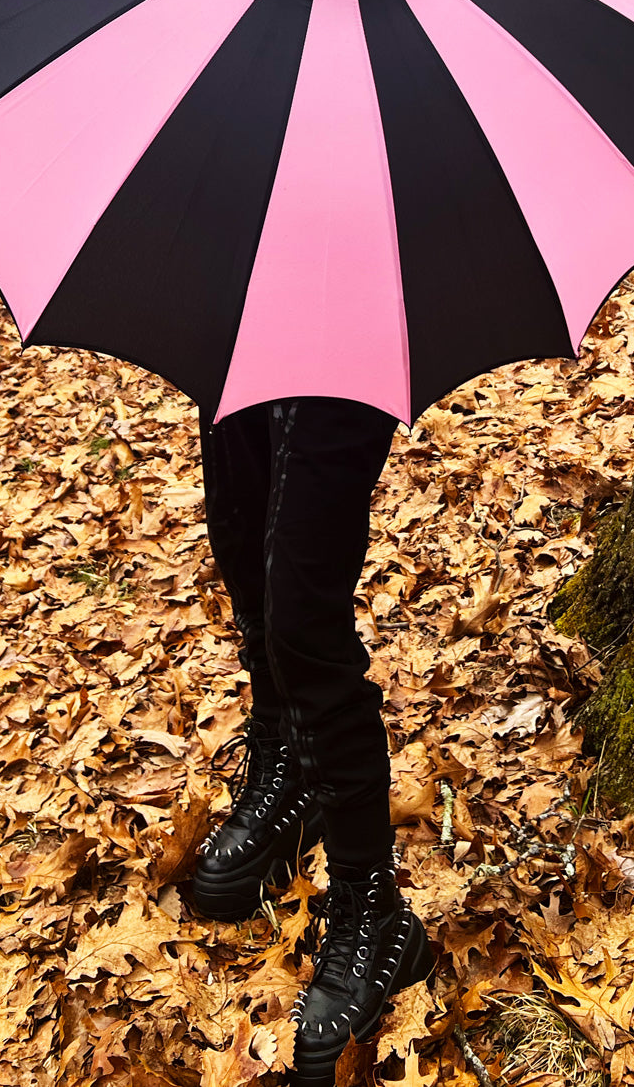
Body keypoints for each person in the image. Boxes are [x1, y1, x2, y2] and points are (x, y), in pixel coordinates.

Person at [188, 396, 434, 1082]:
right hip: (243, 305)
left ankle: (374, 909)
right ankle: (291, 768)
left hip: (344, 327)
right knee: (241, 539)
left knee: (302, 612)